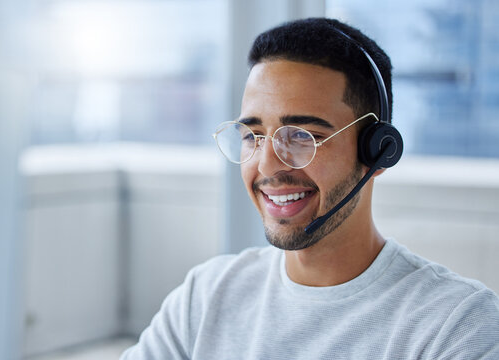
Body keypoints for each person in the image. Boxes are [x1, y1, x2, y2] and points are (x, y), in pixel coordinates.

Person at [120, 18, 499, 359]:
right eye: (252, 136)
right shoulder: (206, 296)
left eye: (303, 136)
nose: (267, 165)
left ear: (377, 151)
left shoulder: (456, 327)